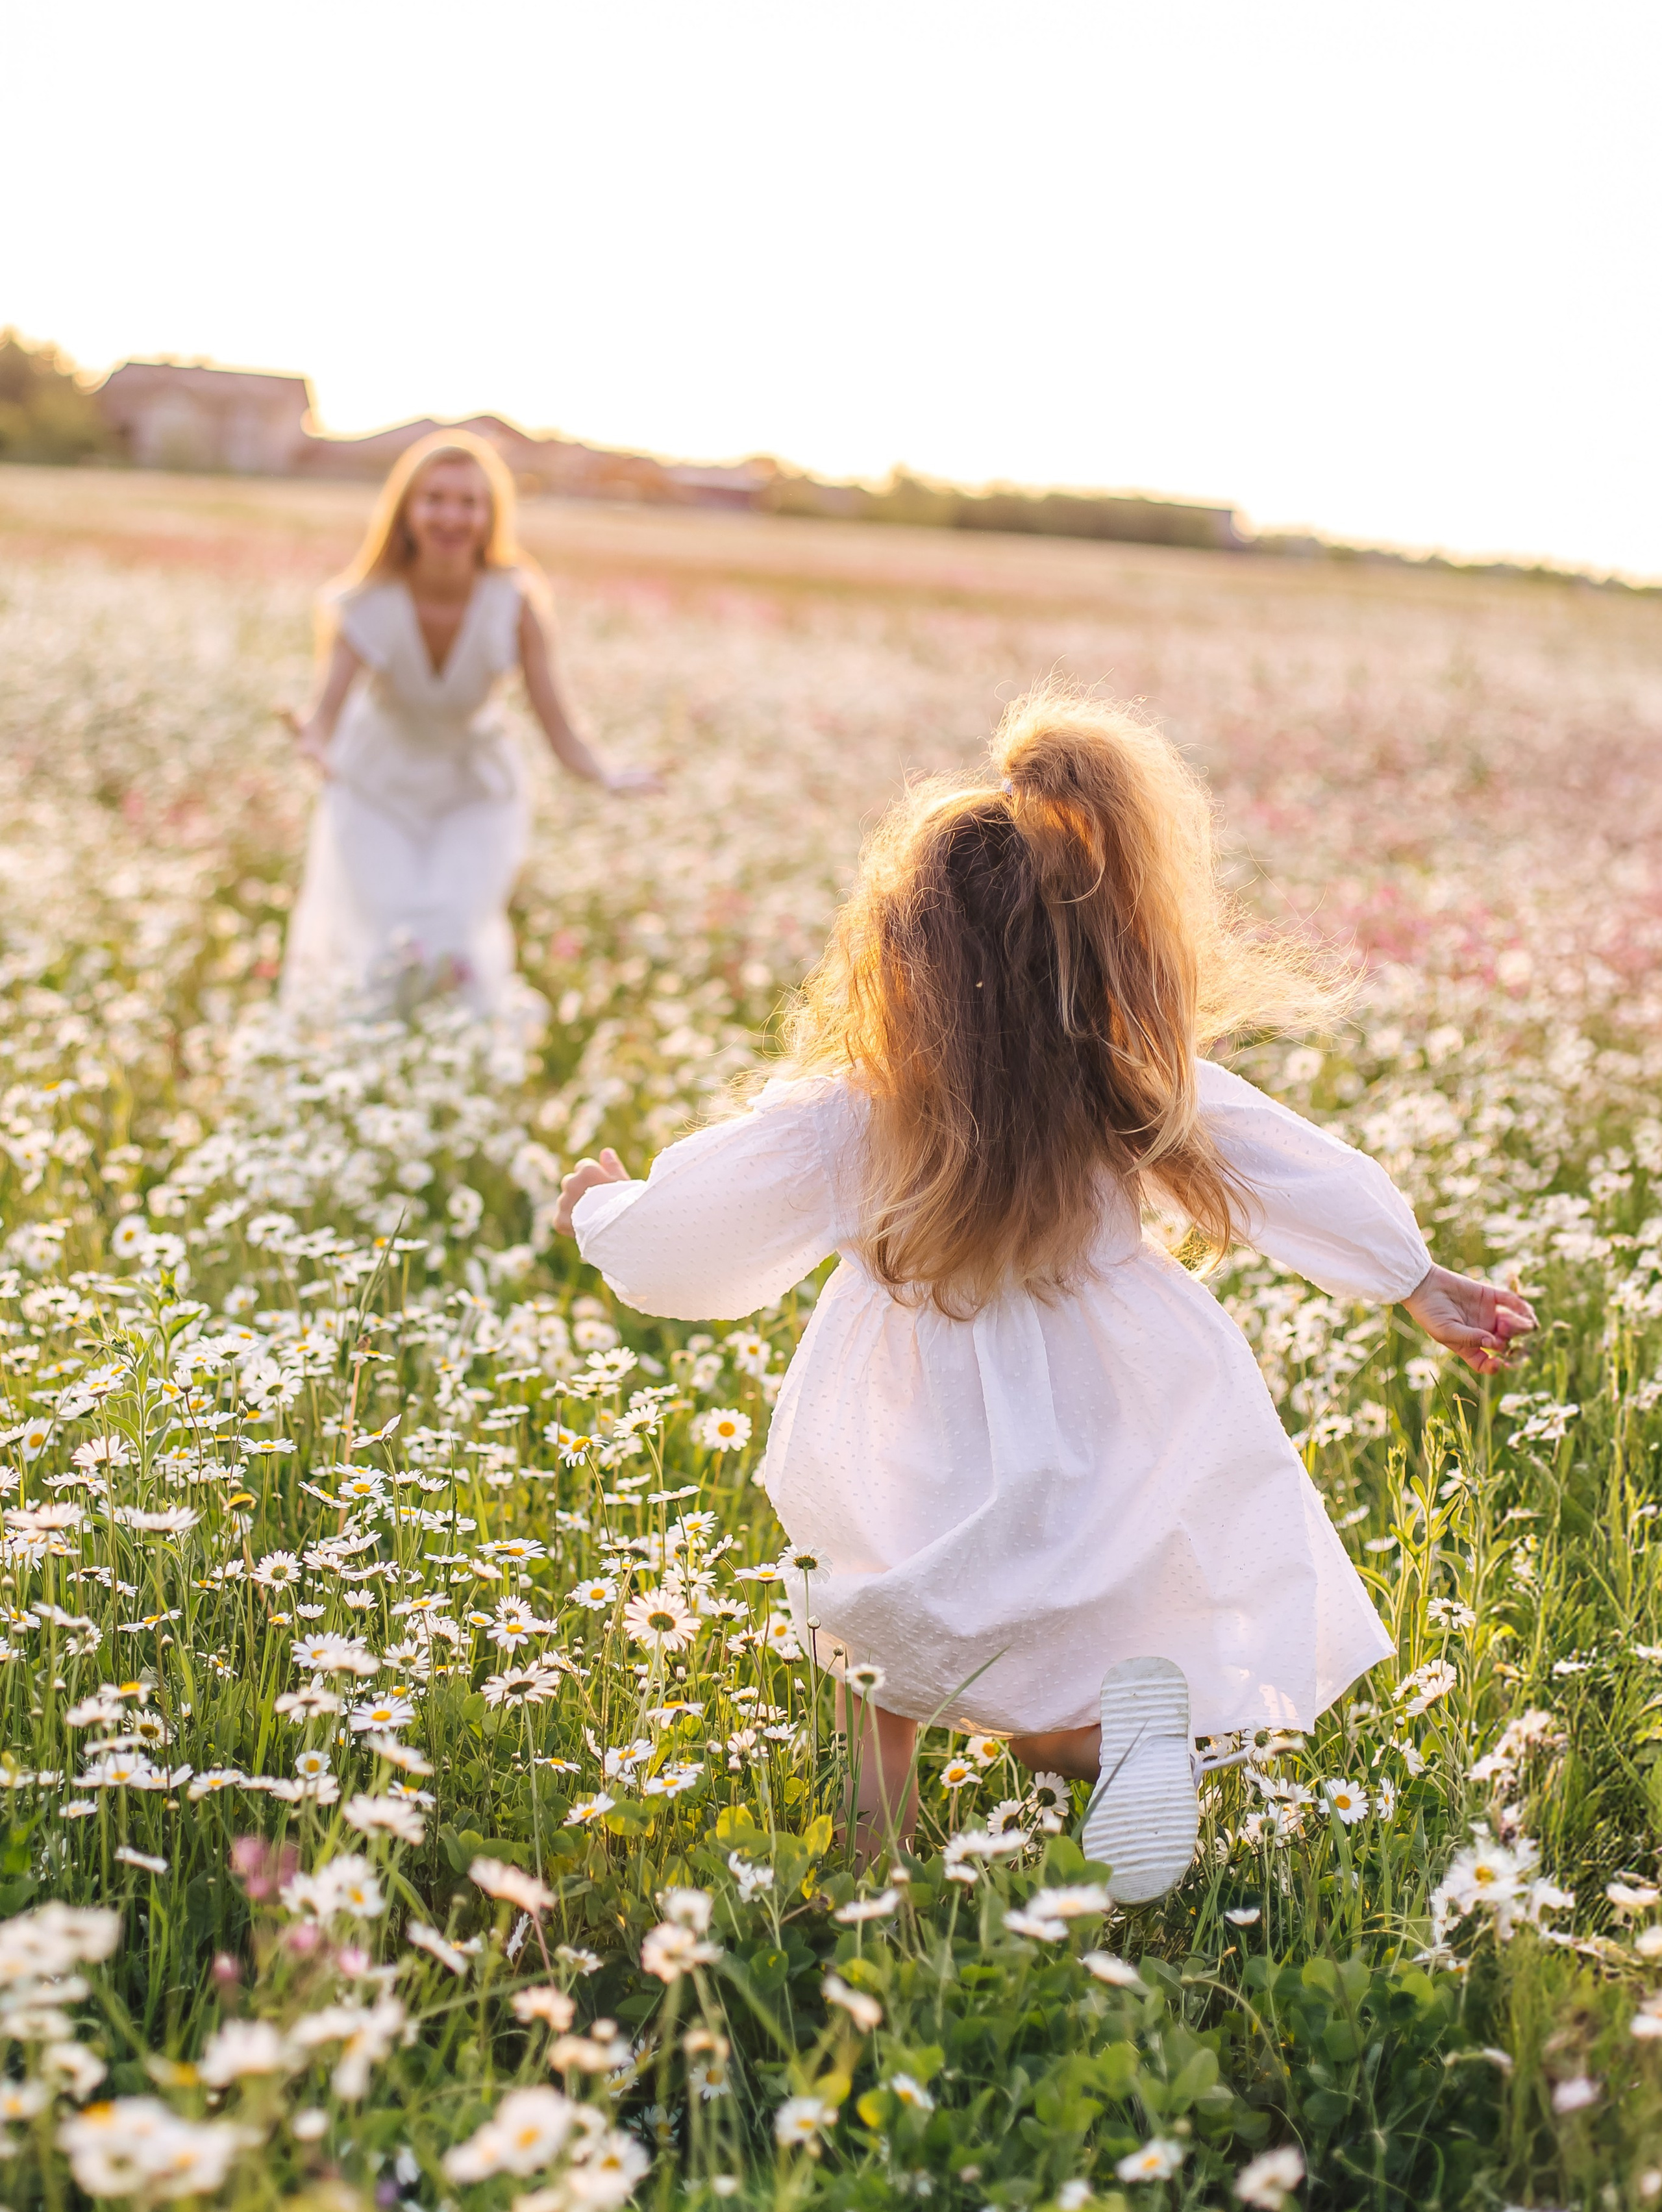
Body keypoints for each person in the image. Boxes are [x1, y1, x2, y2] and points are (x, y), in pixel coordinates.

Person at [554, 691, 1533, 1900]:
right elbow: (1286, 1166)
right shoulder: (1127, 1078)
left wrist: (601, 1211)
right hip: (1114, 1396)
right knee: (1058, 1663)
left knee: (885, 1638)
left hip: (917, 1407)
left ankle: (880, 1868)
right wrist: (1413, 1279)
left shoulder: (851, 1114)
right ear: (1092, 944)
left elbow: (686, 1241)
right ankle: (1121, 1744)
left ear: (900, 947)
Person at [282, 430, 656, 1016]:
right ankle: (374, 1062)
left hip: (474, 792)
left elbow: (557, 724)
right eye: (434, 498)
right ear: (406, 510)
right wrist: (314, 744)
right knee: (388, 939)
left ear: (490, 516)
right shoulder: (365, 602)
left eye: (468, 502)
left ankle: (471, 1069)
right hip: (375, 791)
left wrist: (608, 776)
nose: (451, 515)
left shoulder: (515, 602)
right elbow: (325, 713)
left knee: (452, 930)